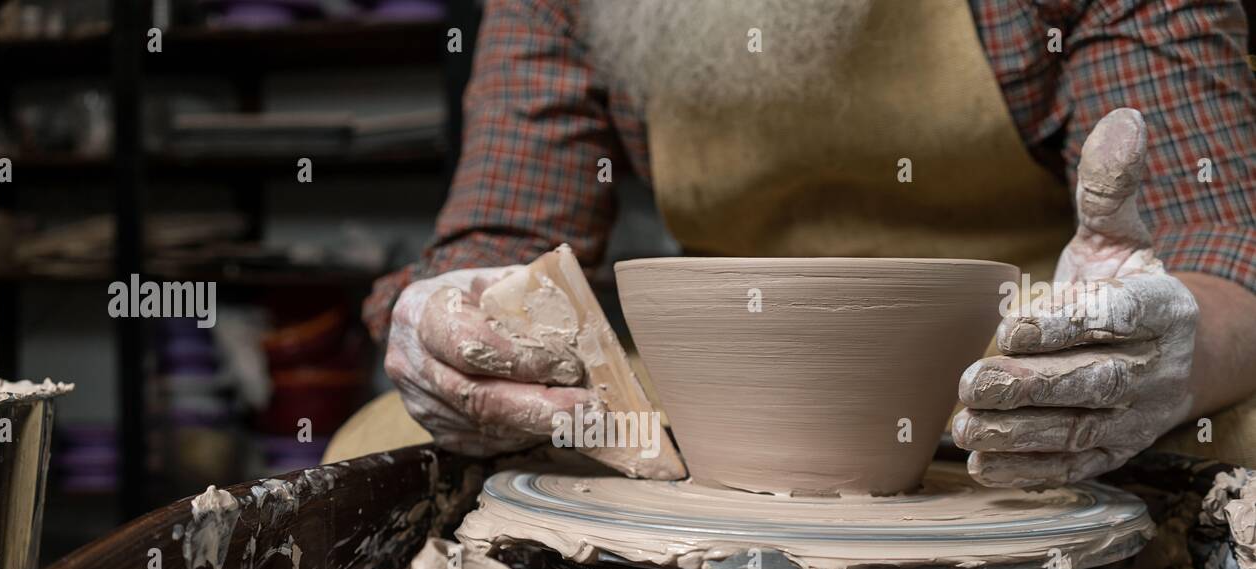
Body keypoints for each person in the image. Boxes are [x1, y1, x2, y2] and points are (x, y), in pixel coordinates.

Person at [338, 0, 1256, 485]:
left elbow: (1217, 238)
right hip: (724, 384)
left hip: (1029, 380)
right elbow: (505, 242)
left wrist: (1161, 344)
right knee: (377, 439)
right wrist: (450, 320)